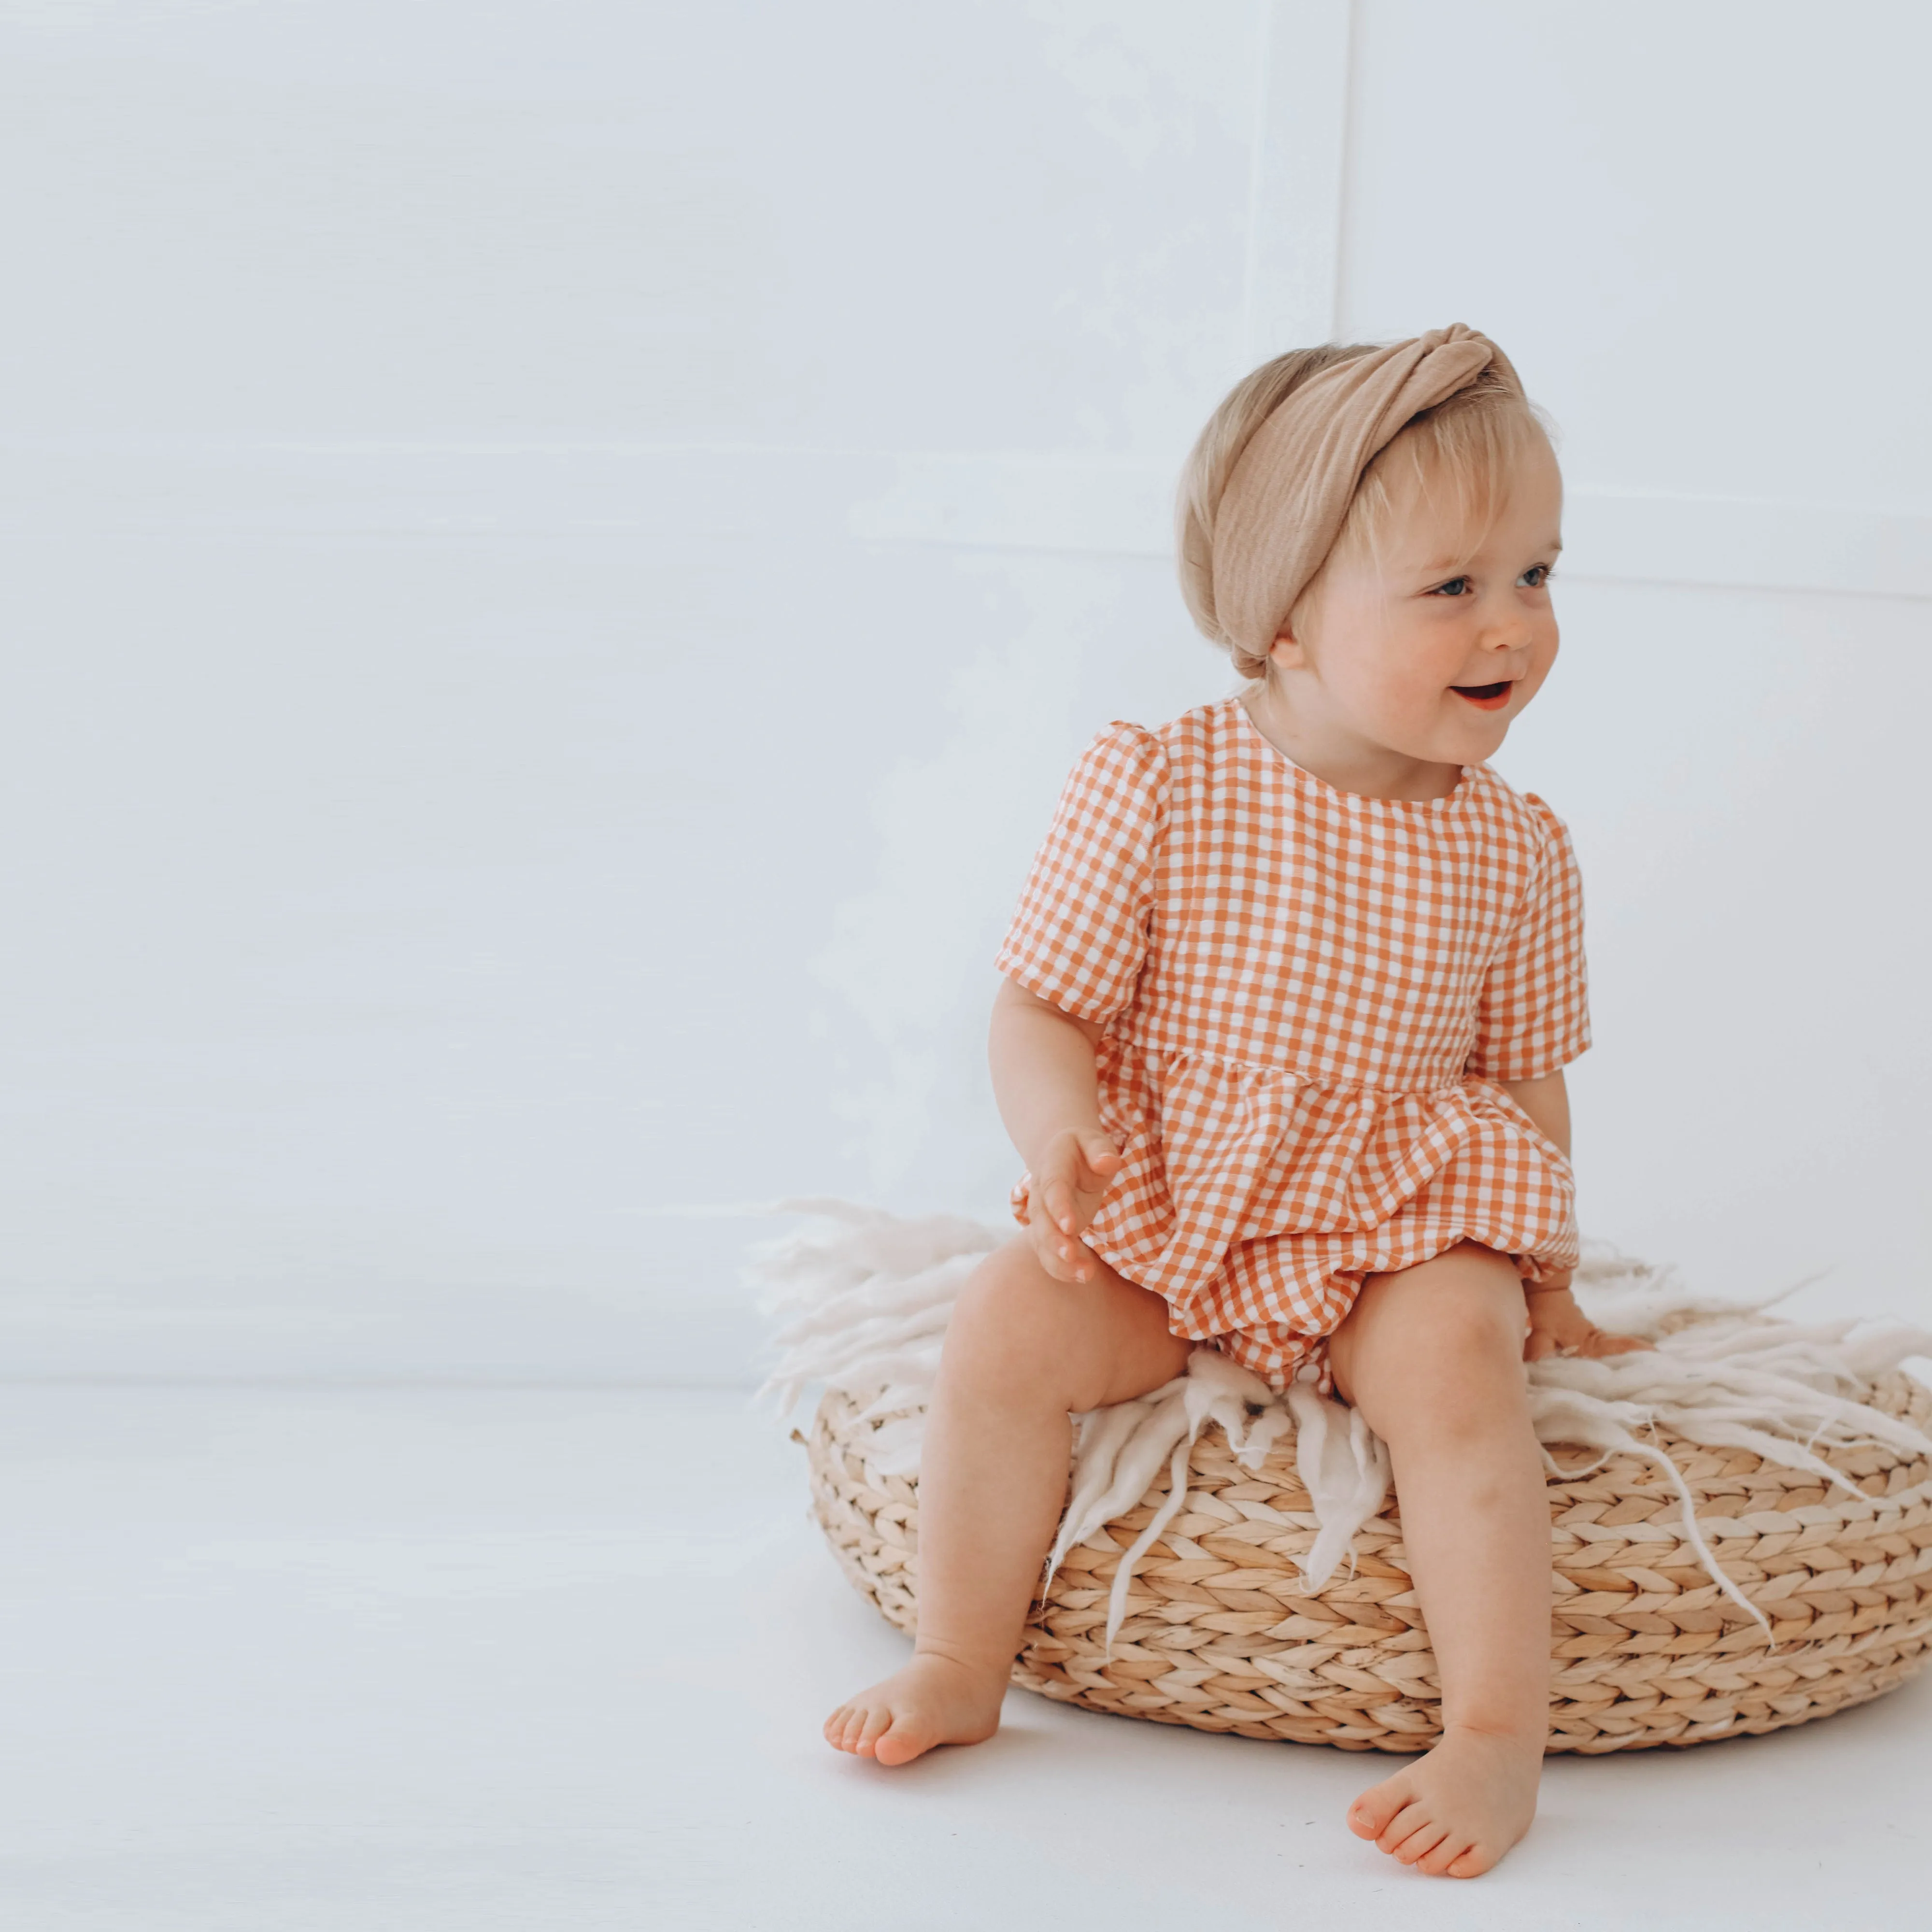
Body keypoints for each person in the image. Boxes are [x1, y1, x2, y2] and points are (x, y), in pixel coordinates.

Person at [824, 325, 1650, 1879]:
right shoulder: (1163, 782)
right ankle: (959, 1657)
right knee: (1005, 1333)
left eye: (1539, 576)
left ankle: (1493, 1734)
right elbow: (1043, 1004)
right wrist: (1056, 1137)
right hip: (1177, 1201)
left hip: (1391, 1220)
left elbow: (1523, 1078)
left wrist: (1542, 1268)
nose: (1516, 627)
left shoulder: (1520, 849)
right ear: (1283, 621)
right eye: (1456, 586)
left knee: (1460, 1377)